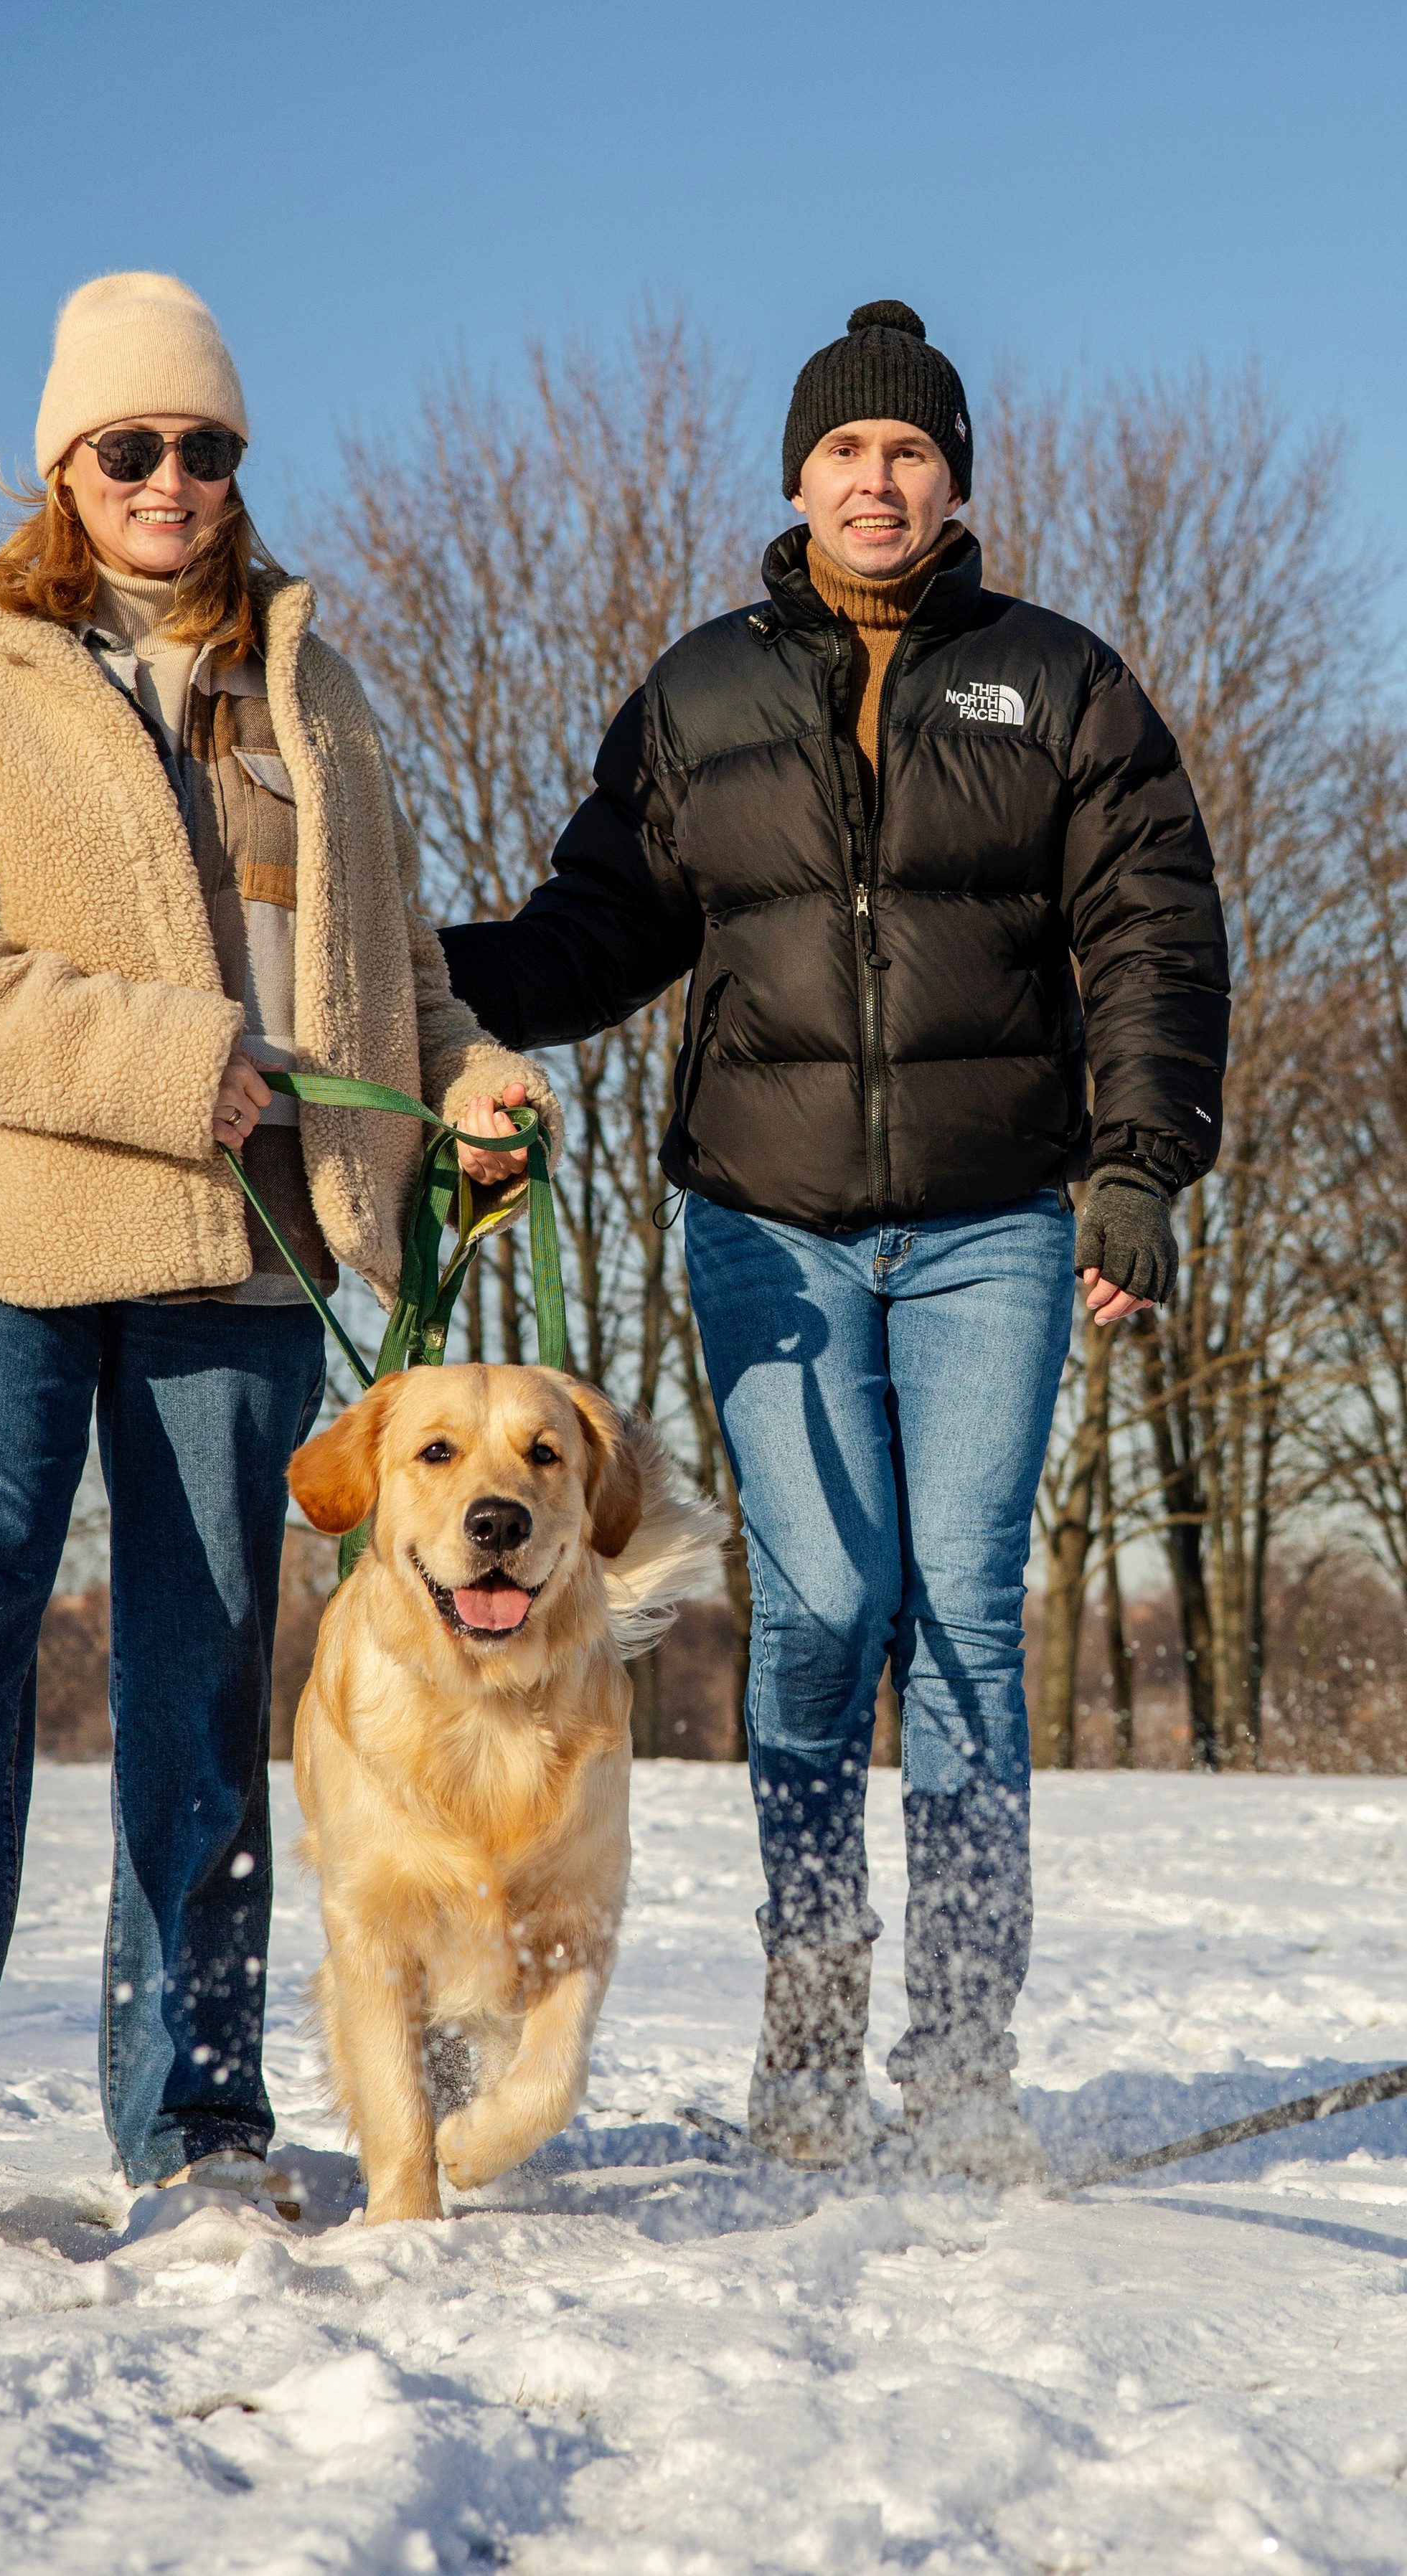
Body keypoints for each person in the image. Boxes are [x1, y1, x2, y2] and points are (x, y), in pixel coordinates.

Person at [441, 301, 1230, 2182]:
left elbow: (1154, 925)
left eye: (912, 451)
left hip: (993, 1228)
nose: (878, 480)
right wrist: (416, 988)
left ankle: (958, 2064)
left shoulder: (1057, 685)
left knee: (960, 1610)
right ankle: (807, 2047)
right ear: (795, 479)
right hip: (765, 1223)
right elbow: (597, 926)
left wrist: (1143, 1162)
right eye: (845, 451)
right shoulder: (701, 694)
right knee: (816, 1607)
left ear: (954, 478)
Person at [0, 271, 550, 2222]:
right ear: (66, 467)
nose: (171, 480)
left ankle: (201, 2124)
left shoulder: (321, 692)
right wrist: (174, 1055)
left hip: (247, 1250)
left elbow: (391, 974)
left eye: (205, 448)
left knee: (207, 1675)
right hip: (6, 1226)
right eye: (130, 447)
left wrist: (464, 1082)